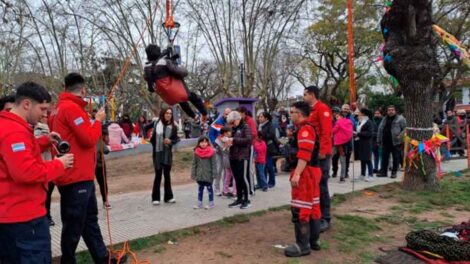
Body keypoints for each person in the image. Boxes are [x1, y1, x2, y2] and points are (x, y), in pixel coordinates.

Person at [0, 82, 74, 264]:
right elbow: (25, 172)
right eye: (42, 109)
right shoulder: (13, 132)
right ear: (26, 104)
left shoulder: (10, 126)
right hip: (24, 219)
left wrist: (44, 141)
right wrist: (58, 165)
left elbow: (17, 154)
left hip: (13, 216)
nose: (44, 115)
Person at [50, 73, 114, 264]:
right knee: (74, 225)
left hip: (78, 175)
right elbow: (88, 139)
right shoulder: (71, 109)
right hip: (76, 176)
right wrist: (98, 120)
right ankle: (68, 261)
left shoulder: (60, 108)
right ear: (83, 90)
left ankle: (103, 259)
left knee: (88, 221)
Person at [284, 101, 321, 258]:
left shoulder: (305, 129)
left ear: (299, 114)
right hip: (310, 171)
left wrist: (298, 173)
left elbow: (304, 153)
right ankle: (313, 241)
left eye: (292, 112)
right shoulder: (304, 129)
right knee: (312, 206)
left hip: (305, 173)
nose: (290, 115)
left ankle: (302, 245)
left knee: (301, 208)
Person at [144, 44, 208, 122]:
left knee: (182, 101)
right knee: (193, 97)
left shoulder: (147, 68)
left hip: (167, 97)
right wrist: (178, 65)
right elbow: (182, 73)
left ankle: (194, 117)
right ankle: (204, 114)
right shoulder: (164, 62)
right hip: (175, 89)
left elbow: (150, 89)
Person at [303, 85, 333, 232]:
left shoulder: (322, 109)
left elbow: (326, 132)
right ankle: (315, 214)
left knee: (321, 185)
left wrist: (323, 151)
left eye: (305, 95)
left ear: (312, 95)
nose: (304, 97)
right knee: (313, 185)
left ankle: (325, 218)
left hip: (321, 153)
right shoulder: (310, 110)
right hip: (312, 153)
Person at [145, 107, 180, 205]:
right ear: (163, 114)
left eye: (170, 113)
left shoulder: (173, 126)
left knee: (167, 175)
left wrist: (170, 141)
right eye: (166, 113)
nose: (168, 115)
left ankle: (168, 197)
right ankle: (155, 198)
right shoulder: (156, 123)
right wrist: (147, 137)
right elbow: (145, 128)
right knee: (158, 175)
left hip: (167, 153)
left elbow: (177, 139)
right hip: (157, 153)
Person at [227, 111, 253, 209]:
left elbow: (248, 140)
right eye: (230, 123)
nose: (231, 124)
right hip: (233, 156)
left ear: (238, 119)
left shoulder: (245, 127)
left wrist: (234, 140)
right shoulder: (234, 128)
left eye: (232, 122)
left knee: (243, 178)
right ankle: (239, 198)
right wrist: (228, 141)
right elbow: (233, 139)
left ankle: (247, 199)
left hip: (243, 156)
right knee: (237, 178)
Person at [34, 115, 57, 226]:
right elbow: (34, 145)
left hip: (48, 164)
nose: (45, 116)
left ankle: (47, 215)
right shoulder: (31, 128)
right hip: (39, 165)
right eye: (42, 115)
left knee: (48, 193)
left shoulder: (46, 127)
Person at [377, 105, 406, 178]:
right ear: (387, 111)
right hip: (385, 141)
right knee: (384, 158)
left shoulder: (400, 119)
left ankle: (394, 172)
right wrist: (379, 140)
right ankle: (384, 172)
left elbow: (405, 128)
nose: (390, 111)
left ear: (395, 111)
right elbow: (380, 129)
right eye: (389, 110)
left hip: (395, 142)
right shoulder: (384, 119)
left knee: (395, 158)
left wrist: (400, 136)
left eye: (392, 110)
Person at [191, 136, 217, 209]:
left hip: (208, 174)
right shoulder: (196, 152)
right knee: (200, 189)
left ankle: (211, 203)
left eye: (205, 142)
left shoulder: (212, 152)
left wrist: (214, 174)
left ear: (208, 143)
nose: (203, 144)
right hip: (200, 175)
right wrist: (193, 174)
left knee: (209, 189)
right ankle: (199, 203)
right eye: (202, 142)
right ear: (199, 143)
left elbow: (214, 164)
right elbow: (194, 164)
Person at [258, 112, 280, 188]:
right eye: (259, 117)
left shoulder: (270, 125)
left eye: (261, 117)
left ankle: (271, 182)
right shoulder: (260, 126)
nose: (260, 118)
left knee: (269, 166)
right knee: (263, 166)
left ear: (266, 118)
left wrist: (261, 135)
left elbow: (271, 135)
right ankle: (263, 182)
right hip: (261, 147)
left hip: (268, 148)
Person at [332, 109, 353, 183]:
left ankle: (330, 173)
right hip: (346, 143)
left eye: (337, 116)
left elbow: (333, 131)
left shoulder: (338, 122)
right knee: (343, 160)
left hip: (338, 143)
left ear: (341, 116)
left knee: (331, 157)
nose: (336, 118)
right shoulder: (349, 122)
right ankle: (342, 177)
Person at [214, 127, 236, 197]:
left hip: (226, 158)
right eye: (230, 131)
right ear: (225, 133)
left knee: (227, 174)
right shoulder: (222, 140)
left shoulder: (224, 138)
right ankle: (217, 188)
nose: (231, 133)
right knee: (219, 171)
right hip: (222, 157)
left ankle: (225, 189)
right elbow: (221, 149)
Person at [354, 108, 375, 182]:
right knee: (362, 159)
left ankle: (371, 175)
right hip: (360, 143)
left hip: (367, 143)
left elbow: (369, 133)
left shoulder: (369, 122)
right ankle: (362, 174)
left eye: (359, 113)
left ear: (363, 114)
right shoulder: (360, 122)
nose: (358, 114)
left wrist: (358, 134)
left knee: (368, 159)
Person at [96, 127, 111, 209]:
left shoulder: (100, 141)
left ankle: (105, 200)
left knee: (103, 183)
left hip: (98, 164)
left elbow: (106, 151)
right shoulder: (99, 141)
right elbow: (106, 151)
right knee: (102, 183)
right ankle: (105, 201)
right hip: (97, 165)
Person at [372, 110, 383, 174]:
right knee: (375, 155)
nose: (376, 114)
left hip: (381, 140)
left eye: (378, 113)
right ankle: (375, 168)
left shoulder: (382, 121)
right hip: (373, 141)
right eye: (375, 113)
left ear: (380, 114)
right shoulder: (372, 121)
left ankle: (381, 168)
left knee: (381, 155)